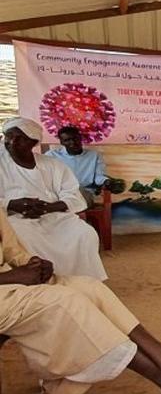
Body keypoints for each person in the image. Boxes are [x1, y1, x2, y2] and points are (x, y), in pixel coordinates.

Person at [0, 208, 161, 394]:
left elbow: (13, 251)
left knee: (91, 288)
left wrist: (35, 265)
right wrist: (13, 277)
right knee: (66, 302)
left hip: (11, 284)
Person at [0, 118, 107, 280]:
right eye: (9, 136)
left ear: (33, 142)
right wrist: (12, 204)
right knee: (21, 236)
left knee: (84, 233)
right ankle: (42, 279)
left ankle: (83, 280)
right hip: (12, 217)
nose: (12, 142)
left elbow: (73, 195)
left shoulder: (52, 164)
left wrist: (47, 208)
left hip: (53, 214)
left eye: (20, 138)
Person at [45, 125, 109, 207]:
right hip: (59, 193)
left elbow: (99, 177)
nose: (73, 143)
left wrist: (106, 181)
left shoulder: (94, 155)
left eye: (75, 138)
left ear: (80, 138)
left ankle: (54, 208)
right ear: (61, 142)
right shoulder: (51, 156)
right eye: (67, 140)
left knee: (76, 195)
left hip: (83, 193)